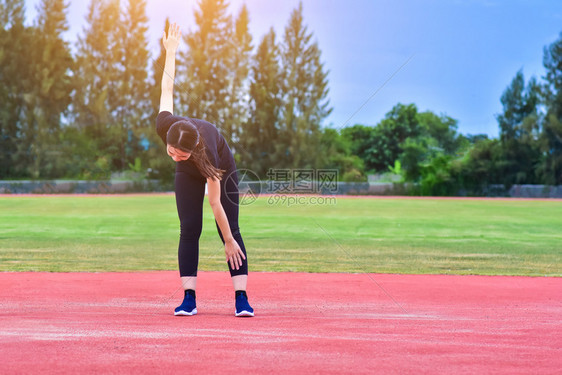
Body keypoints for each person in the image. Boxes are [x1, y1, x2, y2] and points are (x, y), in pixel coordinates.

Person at [156, 22, 254, 317]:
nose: (174, 156)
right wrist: (170, 51)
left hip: (221, 166)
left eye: (181, 154)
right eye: (171, 152)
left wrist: (226, 241)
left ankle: (241, 297)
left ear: (193, 150)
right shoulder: (166, 126)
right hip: (190, 173)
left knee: (232, 229)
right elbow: (168, 86)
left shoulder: (207, 156)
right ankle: (189, 298)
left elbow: (215, 203)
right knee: (189, 228)